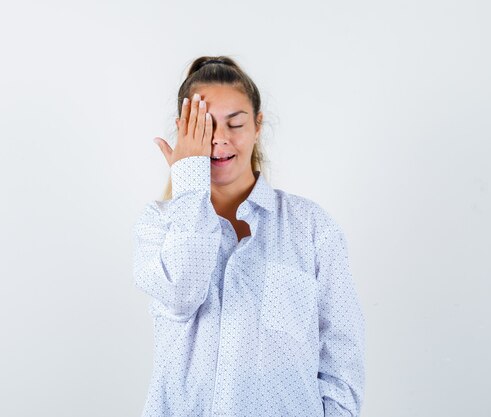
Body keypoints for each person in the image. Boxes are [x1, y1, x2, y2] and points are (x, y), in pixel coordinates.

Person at [132, 56, 365, 417]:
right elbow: (182, 295)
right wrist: (189, 179)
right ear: (184, 130)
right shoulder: (158, 224)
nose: (220, 139)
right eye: (204, 125)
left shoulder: (312, 227)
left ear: (257, 125)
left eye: (235, 123)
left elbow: (342, 357)